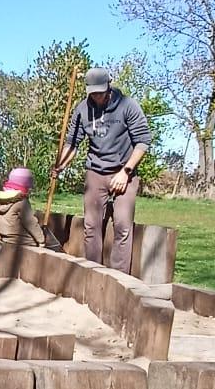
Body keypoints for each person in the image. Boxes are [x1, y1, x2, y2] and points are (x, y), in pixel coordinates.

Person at [53, 67, 151, 275]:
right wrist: (61, 165)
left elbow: (143, 142)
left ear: (108, 86)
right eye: (93, 93)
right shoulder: (82, 109)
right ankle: (93, 273)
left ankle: (119, 279)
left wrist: (125, 172)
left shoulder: (128, 105)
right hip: (95, 171)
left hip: (124, 171)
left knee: (122, 226)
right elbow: (72, 142)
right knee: (91, 226)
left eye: (101, 92)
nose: (97, 96)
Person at [0, 167, 61, 249]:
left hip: (6, 239)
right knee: (52, 247)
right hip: (25, 242)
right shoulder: (21, 202)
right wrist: (41, 241)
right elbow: (31, 223)